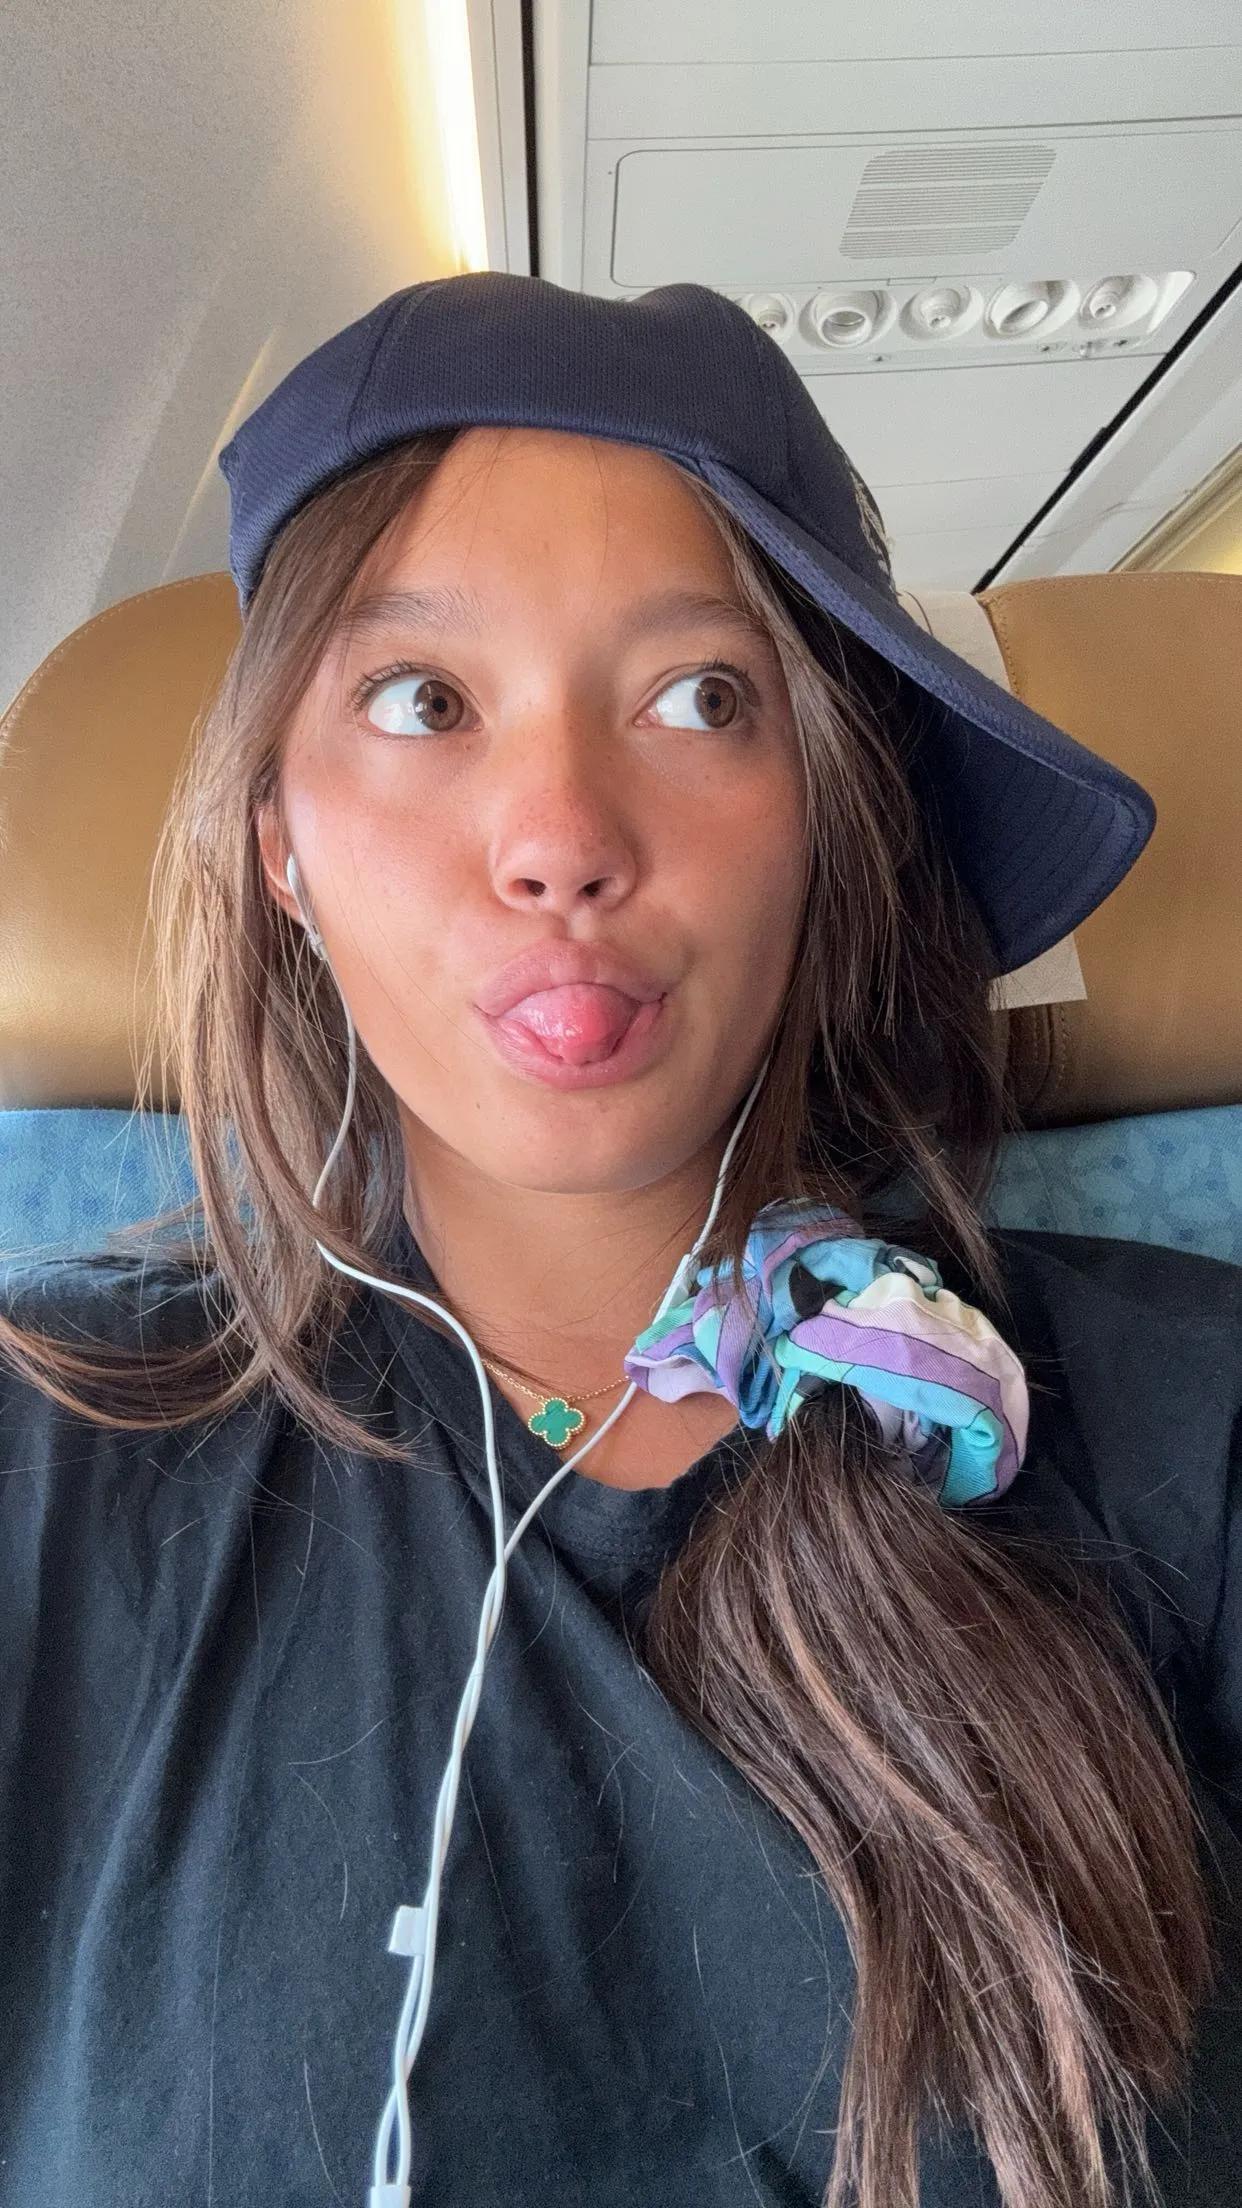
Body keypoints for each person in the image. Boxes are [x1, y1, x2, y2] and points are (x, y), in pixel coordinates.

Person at [0, 273, 1239, 2208]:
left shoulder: (1196, 1422)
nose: (560, 834)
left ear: (823, 826)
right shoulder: (42, 1444)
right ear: (280, 845)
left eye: (700, 698)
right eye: (420, 700)